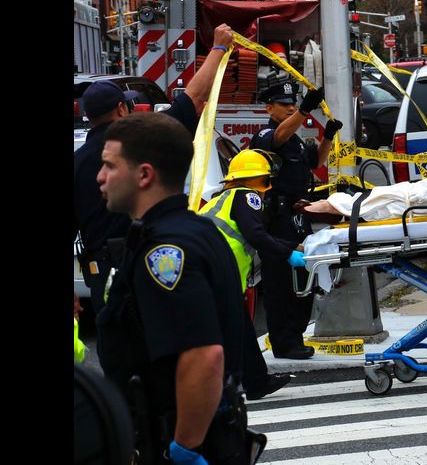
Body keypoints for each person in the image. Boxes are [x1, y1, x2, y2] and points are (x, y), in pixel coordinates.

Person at [95, 112, 249, 464]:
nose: (100, 177)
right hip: (209, 431)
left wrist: (184, 448)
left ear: (144, 174)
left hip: (174, 440)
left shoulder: (165, 252)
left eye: (109, 166)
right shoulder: (196, 231)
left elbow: (203, 354)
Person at [74, 23, 235, 317]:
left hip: (101, 273)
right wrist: (218, 48)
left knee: (119, 350)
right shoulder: (144, 141)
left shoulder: (78, 161)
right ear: (122, 110)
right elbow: (194, 97)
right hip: (150, 263)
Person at [199, 149, 306, 399]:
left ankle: (256, 381)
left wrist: (289, 246)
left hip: (209, 268)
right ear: (260, 178)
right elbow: (255, 234)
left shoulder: (219, 198)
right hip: (219, 272)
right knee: (227, 331)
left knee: (239, 329)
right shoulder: (248, 196)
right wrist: (288, 253)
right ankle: (238, 384)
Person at [249, 82, 343, 359]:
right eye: (284, 104)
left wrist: (328, 136)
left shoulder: (296, 139)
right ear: (269, 108)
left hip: (298, 217)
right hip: (277, 219)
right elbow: (277, 137)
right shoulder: (267, 134)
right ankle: (284, 343)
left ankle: (297, 337)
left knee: (302, 278)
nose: (290, 107)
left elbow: (315, 162)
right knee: (280, 283)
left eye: (293, 103)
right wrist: (303, 110)